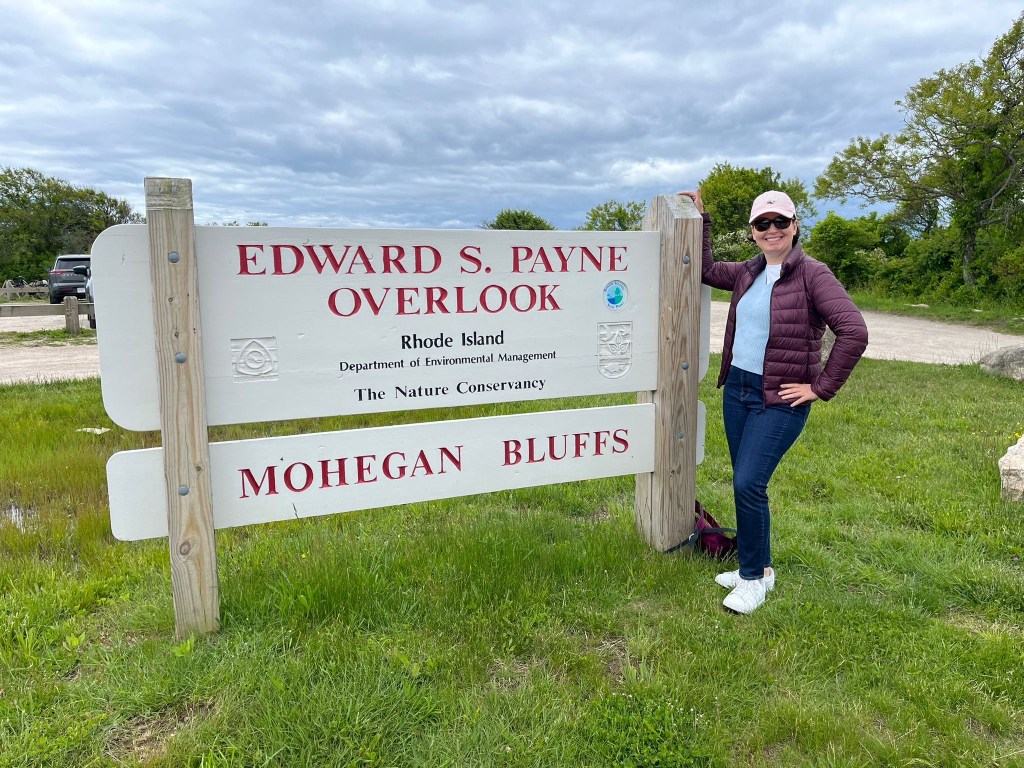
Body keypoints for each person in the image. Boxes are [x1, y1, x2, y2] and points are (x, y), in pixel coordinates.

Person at [679, 188, 868, 615]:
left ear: (795, 226)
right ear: (753, 231)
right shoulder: (748, 272)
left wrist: (820, 387)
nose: (771, 230)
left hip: (779, 398)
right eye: (762, 224)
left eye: (780, 221)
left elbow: (854, 331)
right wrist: (702, 219)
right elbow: (706, 269)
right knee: (745, 482)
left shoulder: (814, 274)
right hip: (738, 390)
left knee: (749, 483)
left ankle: (752, 581)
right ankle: (760, 568)